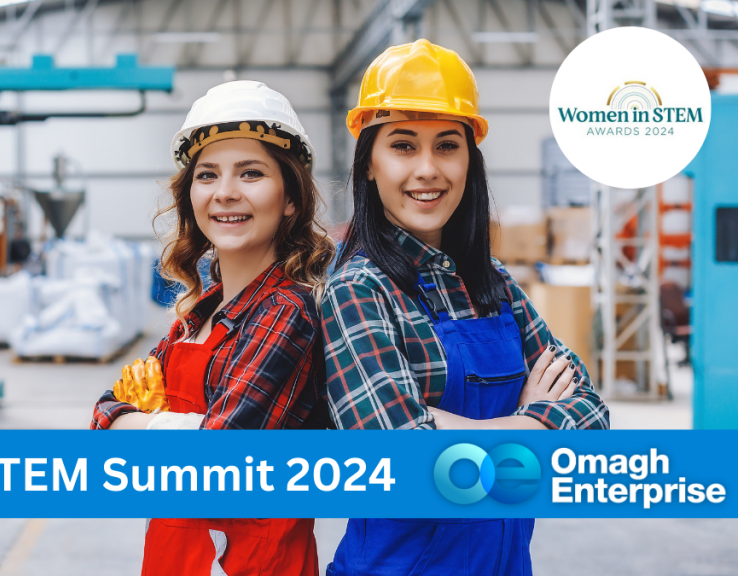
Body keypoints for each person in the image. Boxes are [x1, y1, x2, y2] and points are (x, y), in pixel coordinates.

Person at [322, 40, 611, 576]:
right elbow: (403, 461)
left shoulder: (493, 285)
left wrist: (446, 425)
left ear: (469, 161)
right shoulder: (360, 291)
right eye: (403, 146)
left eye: (447, 146)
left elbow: (592, 418)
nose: (428, 169)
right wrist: (531, 422)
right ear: (369, 165)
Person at [90, 80, 335, 576]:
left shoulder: (286, 312)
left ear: (290, 198)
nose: (225, 192)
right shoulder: (197, 317)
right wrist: (149, 426)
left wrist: (135, 427)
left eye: (251, 173)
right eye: (207, 175)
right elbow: (101, 421)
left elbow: (218, 461)